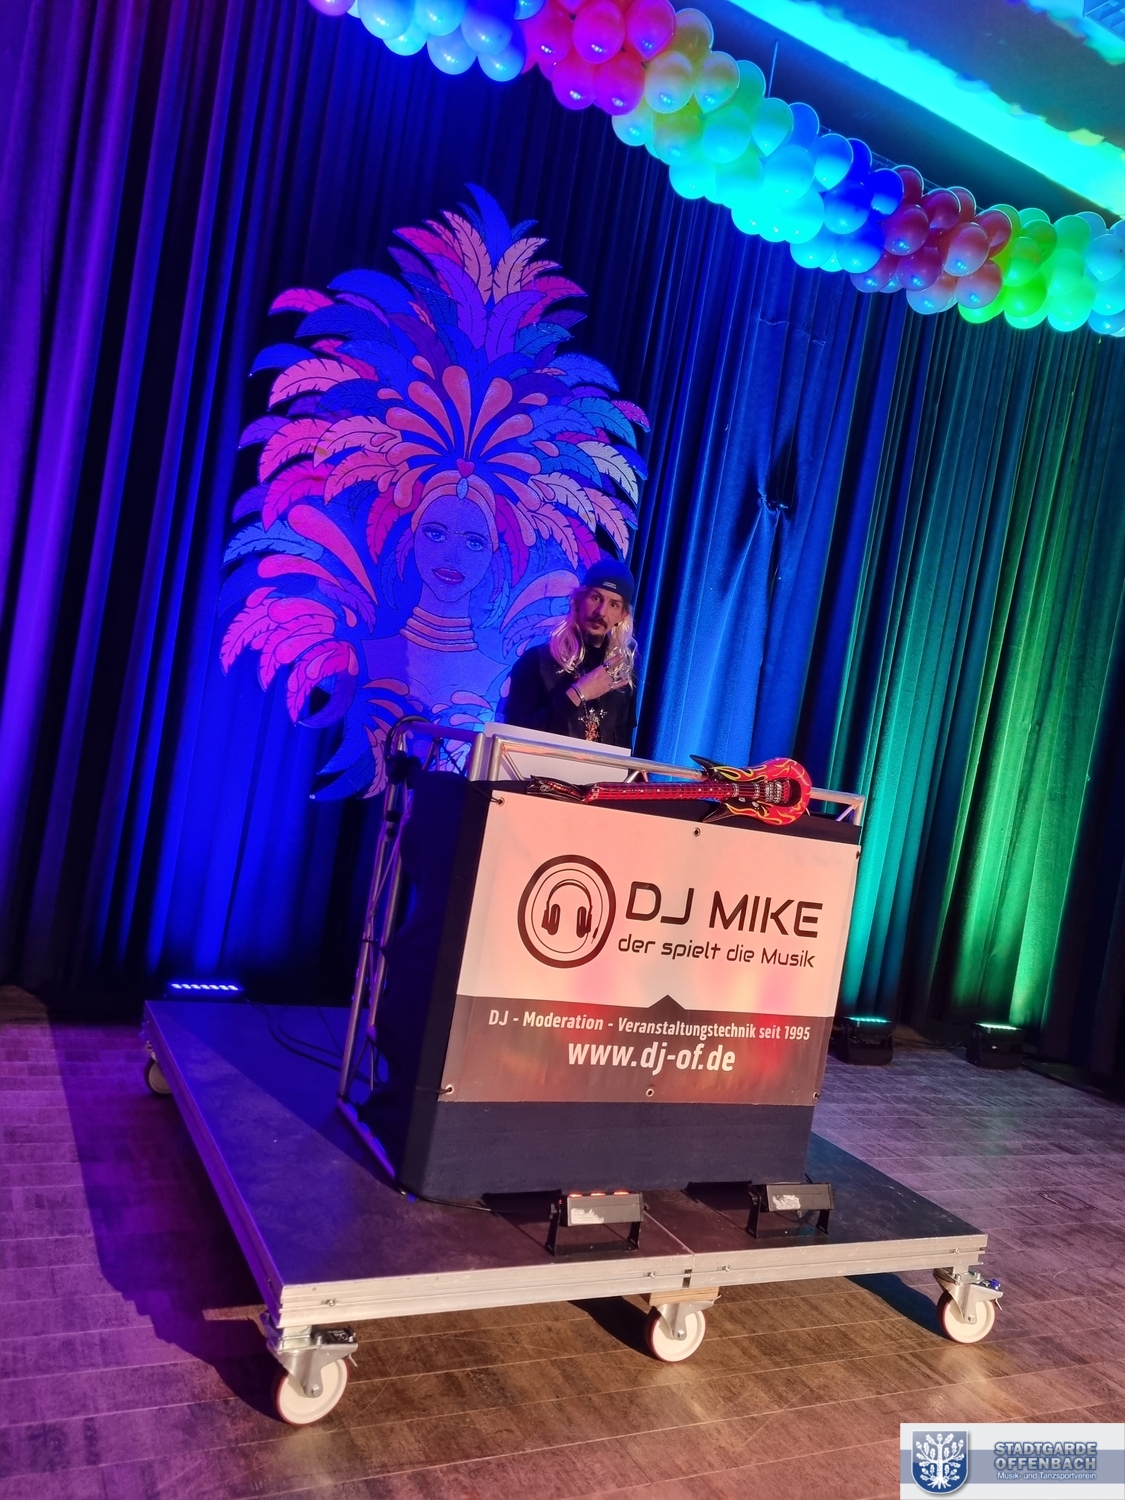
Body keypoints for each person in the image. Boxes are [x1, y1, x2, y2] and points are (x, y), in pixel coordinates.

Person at [501, 560, 637, 746]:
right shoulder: (536, 661)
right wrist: (577, 693)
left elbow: (623, 749)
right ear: (578, 600)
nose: (601, 612)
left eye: (614, 604)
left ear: (622, 616)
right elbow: (510, 736)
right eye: (596, 598)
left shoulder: (622, 677)